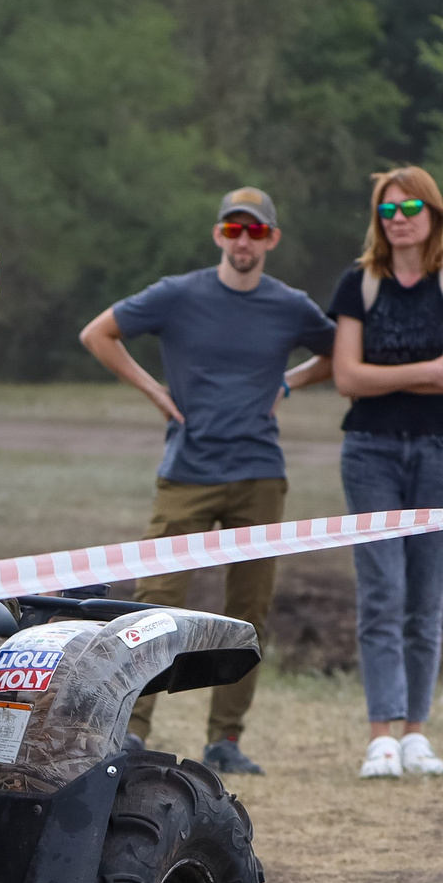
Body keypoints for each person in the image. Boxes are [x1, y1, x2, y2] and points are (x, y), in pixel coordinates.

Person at [77, 187, 336, 774]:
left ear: (271, 239)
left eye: (256, 231)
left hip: (259, 476)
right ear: (219, 234)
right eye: (233, 229)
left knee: (248, 610)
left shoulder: (290, 305)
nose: (244, 240)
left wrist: (290, 383)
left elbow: (341, 352)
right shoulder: (177, 294)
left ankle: (226, 741)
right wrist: (154, 391)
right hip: (186, 475)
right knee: (154, 603)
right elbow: (98, 334)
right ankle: (132, 730)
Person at [330, 166, 443, 781]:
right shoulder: (359, 282)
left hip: (440, 449)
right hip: (369, 449)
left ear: (435, 211)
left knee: (426, 598)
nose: (400, 220)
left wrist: (383, 372)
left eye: (411, 207)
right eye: (388, 211)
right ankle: (381, 737)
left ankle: (416, 733)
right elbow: (346, 378)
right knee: (382, 595)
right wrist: (425, 372)